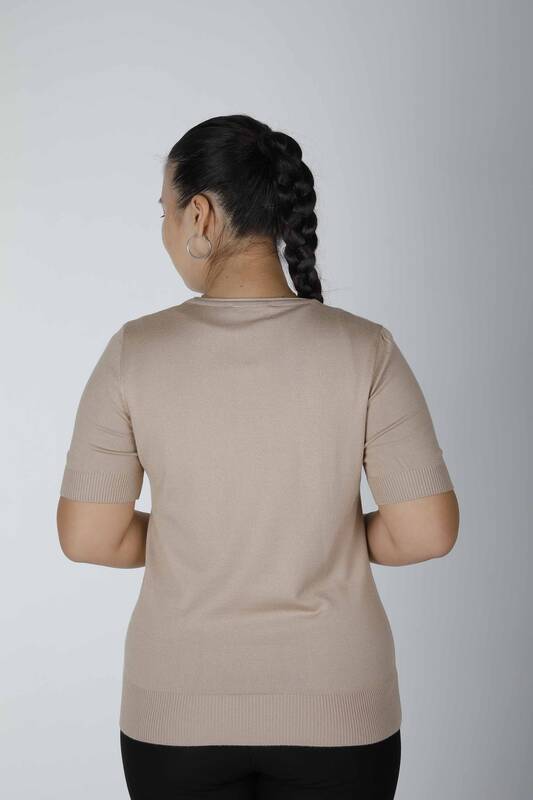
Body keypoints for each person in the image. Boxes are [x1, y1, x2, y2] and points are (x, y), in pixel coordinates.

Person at [56, 114, 459, 799]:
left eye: (164, 210)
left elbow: (90, 537)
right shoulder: (366, 348)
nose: (164, 229)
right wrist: (320, 534)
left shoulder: (134, 352)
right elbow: (425, 532)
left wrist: (199, 536)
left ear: (200, 214)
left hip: (176, 710)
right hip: (340, 707)